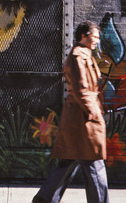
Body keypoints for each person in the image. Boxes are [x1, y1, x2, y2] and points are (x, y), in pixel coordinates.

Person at [33, 21, 109, 203]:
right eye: (95, 36)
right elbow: (81, 88)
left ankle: (44, 199)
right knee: (94, 162)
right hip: (83, 117)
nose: (98, 40)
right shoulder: (79, 56)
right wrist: (93, 113)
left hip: (78, 116)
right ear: (84, 36)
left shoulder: (83, 55)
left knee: (69, 161)